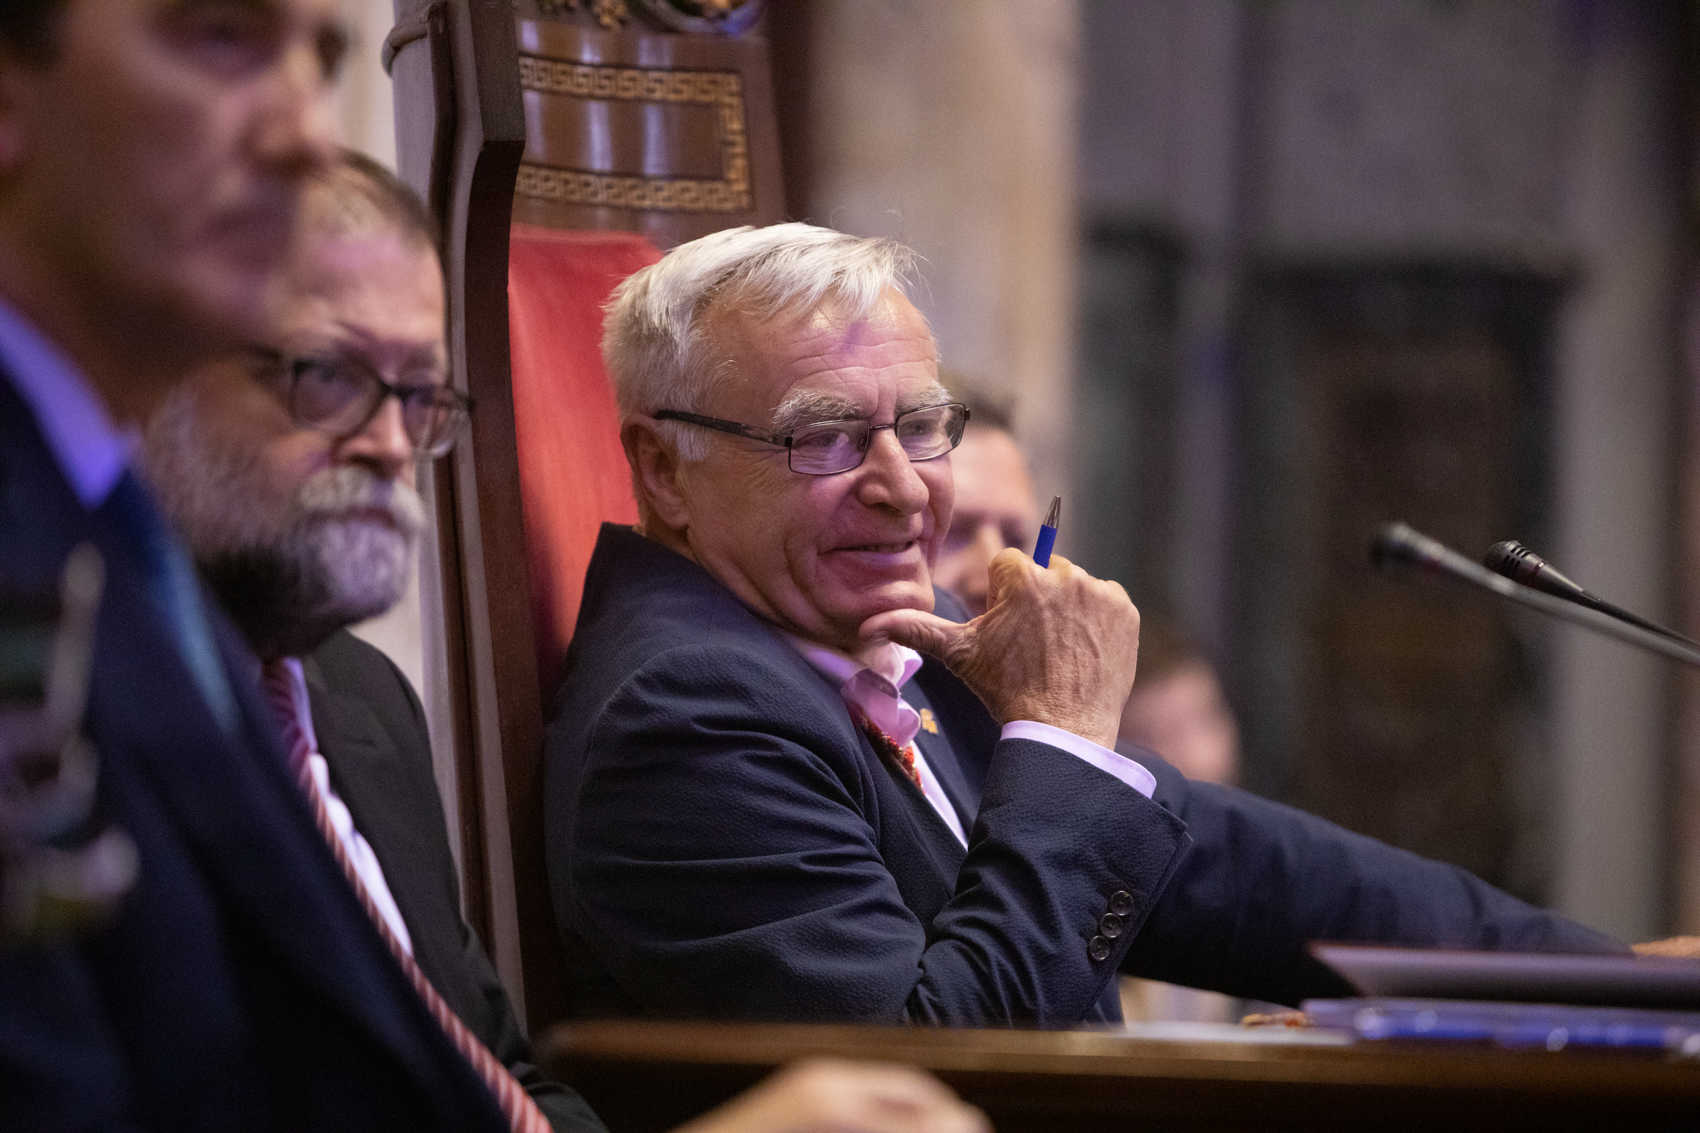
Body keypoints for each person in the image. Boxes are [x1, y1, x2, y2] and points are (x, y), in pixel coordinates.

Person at [0, 2, 983, 1127]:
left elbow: (489, 1080)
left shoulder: (328, 680)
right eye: (217, 35)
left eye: (319, 57)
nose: (301, 135)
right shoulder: (59, 573)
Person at [543, 222, 1623, 1028]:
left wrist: (1599, 980)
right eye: (822, 436)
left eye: (917, 425)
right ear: (660, 468)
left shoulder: (855, 633)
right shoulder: (687, 713)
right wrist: (1057, 730)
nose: (903, 489)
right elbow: (939, 1069)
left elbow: (1241, 872)